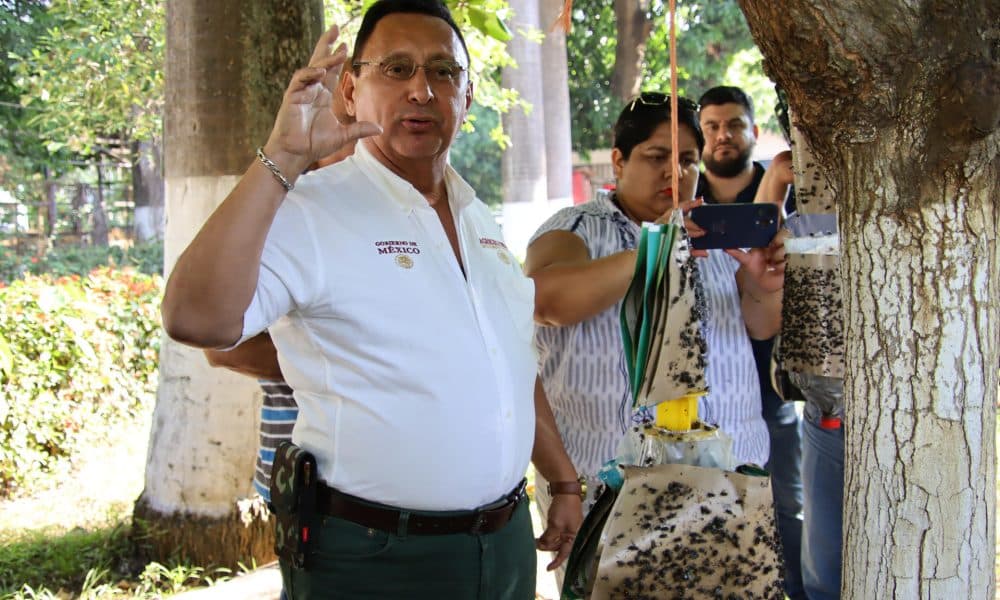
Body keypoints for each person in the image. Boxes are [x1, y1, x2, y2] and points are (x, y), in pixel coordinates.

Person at [160, 1, 582, 597]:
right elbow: (195, 319)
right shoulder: (311, 207)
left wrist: (563, 482)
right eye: (397, 68)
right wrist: (283, 158)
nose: (421, 90)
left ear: (467, 94)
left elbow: (509, 362)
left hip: (505, 544)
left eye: (443, 72)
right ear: (351, 91)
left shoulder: (477, 217)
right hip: (371, 557)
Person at [524, 92, 783, 584]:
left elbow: (760, 325)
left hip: (724, 483)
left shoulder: (709, 231)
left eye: (686, 159)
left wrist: (764, 284)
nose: (675, 173)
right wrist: (656, 246)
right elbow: (546, 301)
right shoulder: (578, 227)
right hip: (612, 493)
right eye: (657, 157)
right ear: (618, 161)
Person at [697, 85, 805, 599]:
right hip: (710, 385)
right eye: (712, 126)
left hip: (772, 375)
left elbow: (775, 260)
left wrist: (777, 189)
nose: (723, 135)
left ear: (753, 131)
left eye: (734, 124)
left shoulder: (785, 186)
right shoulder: (684, 196)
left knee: (784, 501)